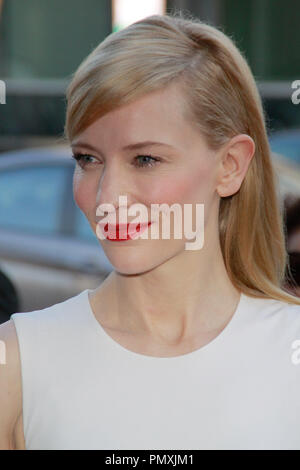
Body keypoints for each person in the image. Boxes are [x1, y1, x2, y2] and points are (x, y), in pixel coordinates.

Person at [1, 11, 300, 451]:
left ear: (230, 166)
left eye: (145, 160)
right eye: (87, 158)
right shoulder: (18, 363)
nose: (107, 196)